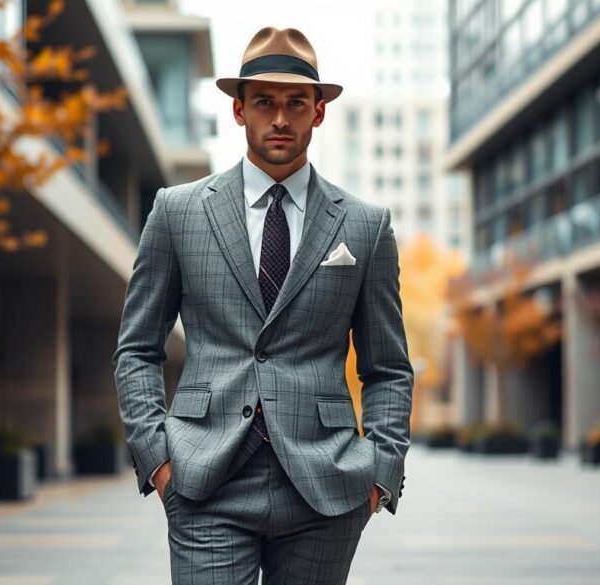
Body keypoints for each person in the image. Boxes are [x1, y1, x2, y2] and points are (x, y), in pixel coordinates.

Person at [113, 26, 413, 585]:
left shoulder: (366, 226)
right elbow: (136, 348)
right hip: (204, 481)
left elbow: (388, 367)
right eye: (265, 103)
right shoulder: (177, 212)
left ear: (318, 112)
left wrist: (381, 470)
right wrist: (157, 459)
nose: (281, 118)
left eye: (296, 103)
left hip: (326, 488)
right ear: (238, 110)